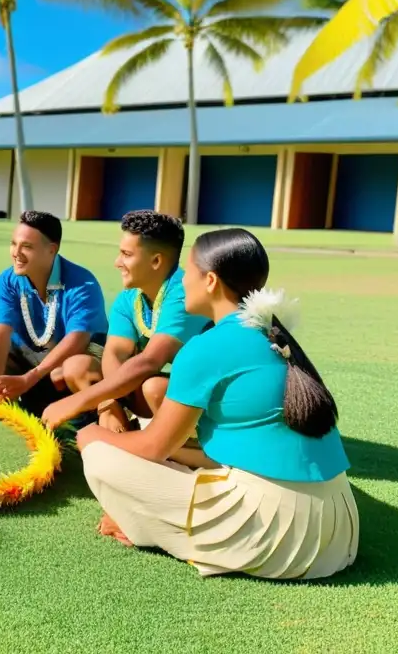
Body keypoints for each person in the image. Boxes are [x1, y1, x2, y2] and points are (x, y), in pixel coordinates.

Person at [76, 227, 359, 581]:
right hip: (337, 531)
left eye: (187, 272)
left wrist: (92, 436)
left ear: (209, 281)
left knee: (101, 455)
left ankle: (140, 525)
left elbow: (152, 447)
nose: (181, 282)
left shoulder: (206, 347)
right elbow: (213, 453)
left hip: (278, 535)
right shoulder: (273, 333)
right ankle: (141, 518)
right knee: (168, 450)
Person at [41, 210, 209, 433]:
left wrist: (77, 401)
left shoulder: (183, 293)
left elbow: (150, 362)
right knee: (77, 366)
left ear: (156, 261)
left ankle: (187, 447)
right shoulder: (129, 299)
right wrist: (108, 404)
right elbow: (114, 354)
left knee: (155, 388)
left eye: (126, 254)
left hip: (214, 397)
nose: (117, 263)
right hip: (176, 390)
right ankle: (121, 429)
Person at [0, 210, 108, 418]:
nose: (16, 253)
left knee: (76, 367)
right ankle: (10, 407)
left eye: (27, 247)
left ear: (52, 250)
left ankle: (96, 415)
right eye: (14, 244)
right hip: (31, 360)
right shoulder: (6, 281)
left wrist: (30, 378)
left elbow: (77, 339)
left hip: (71, 364)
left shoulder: (82, 283)